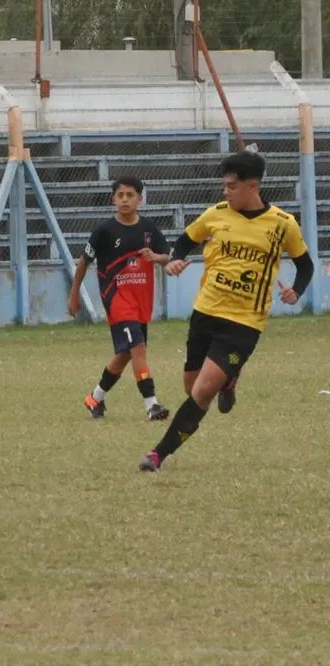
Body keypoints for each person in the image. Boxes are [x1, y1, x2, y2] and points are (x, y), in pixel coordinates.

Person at [138, 151, 314, 472]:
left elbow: (305, 265)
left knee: (203, 391)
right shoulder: (216, 214)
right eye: (224, 186)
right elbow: (184, 241)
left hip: (245, 323)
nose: (226, 192)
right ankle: (229, 381)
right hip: (205, 312)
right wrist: (175, 259)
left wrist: (296, 290)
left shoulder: (282, 224)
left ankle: (157, 454)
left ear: (252, 186)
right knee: (192, 388)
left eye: (232, 186)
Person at [68, 176, 172, 422]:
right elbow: (84, 262)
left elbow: (167, 255)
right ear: (113, 199)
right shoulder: (104, 231)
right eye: (120, 195)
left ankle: (95, 398)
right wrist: (74, 296)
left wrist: (155, 257)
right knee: (138, 348)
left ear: (140, 199)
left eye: (130, 195)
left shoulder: (148, 229)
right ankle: (152, 405)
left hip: (141, 301)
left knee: (126, 354)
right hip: (116, 299)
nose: (125, 200)